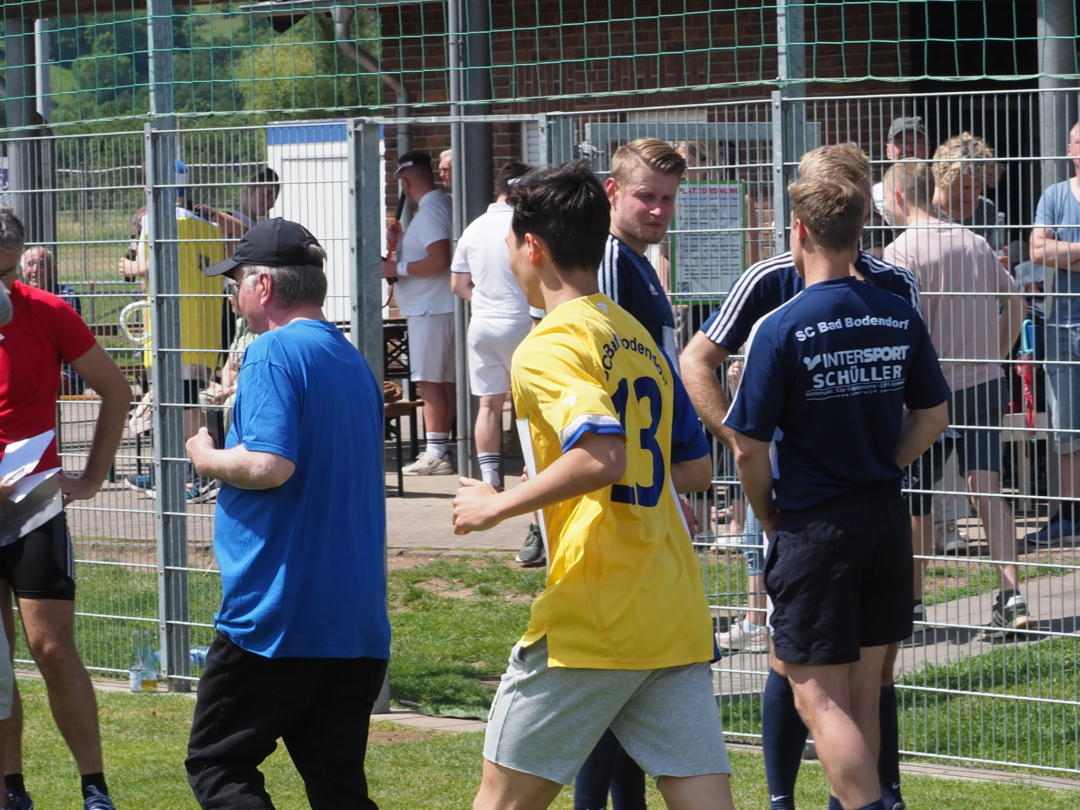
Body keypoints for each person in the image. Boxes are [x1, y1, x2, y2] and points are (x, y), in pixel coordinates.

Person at [452, 160, 734, 810]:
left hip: (595, 613)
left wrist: (497, 504)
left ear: (532, 246)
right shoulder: (634, 335)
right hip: (671, 608)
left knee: (501, 800)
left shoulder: (548, 346)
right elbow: (695, 469)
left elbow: (602, 456)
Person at [680, 143, 920, 810]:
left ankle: (875, 797)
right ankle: (784, 796)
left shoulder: (894, 286)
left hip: (828, 508)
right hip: (815, 505)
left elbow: (915, 398)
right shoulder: (767, 282)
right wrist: (739, 435)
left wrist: (868, 460)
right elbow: (696, 360)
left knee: (851, 677)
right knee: (794, 663)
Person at [726, 174, 949, 810]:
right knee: (863, 694)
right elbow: (934, 416)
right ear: (859, 231)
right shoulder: (898, 312)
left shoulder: (780, 326)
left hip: (815, 527)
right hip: (884, 519)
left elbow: (747, 447)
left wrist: (768, 512)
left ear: (798, 231)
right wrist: (883, 463)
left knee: (818, 698)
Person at [184, 218, 390, 810]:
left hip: (278, 616)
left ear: (264, 286)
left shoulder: (271, 351)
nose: (233, 296)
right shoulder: (351, 361)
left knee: (218, 763)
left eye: (237, 283)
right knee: (338, 788)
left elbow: (271, 465)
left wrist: (205, 456)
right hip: (354, 622)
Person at [0, 204, 132, 810]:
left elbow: (116, 390)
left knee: (51, 649)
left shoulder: (49, 312)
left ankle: (94, 788)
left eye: (8, 273)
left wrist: (93, 476)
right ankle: (12, 789)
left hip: (34, 507)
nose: (2, 287)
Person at [882, 158, 1029, 638]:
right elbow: (1016, 303)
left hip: (927, 394)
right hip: (983, 382)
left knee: (917, 498)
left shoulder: (899, 252)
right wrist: (995, 355)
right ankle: (1012, 595)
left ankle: (913, 605)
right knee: (987, 487)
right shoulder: (974, 241)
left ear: (899, 196)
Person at [119, 159, 227, 503]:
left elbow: (161, 262)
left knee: (182, 406)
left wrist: (131, 266)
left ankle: (207, 472)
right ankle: (173, 472)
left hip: (172, 332)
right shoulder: (207, 226)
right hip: (201, 331)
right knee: (180, 403)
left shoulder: (158, 220)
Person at [451, 161, 534, 495]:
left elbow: (458, 284)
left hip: (483, 324)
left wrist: (486, 302)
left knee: (488, 405)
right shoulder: (524, 225)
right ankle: (534, 473)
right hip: (522, 323)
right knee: (530, 405)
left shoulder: (473, 228)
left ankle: (490, 480)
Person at [382, 151, 457, 475]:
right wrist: (399, 246)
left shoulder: (430, 212)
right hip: (436, 307)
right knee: (443, 380)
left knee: (430, 381)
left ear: (406, 182)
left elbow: (440, 259)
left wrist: (395, 267)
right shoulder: (439, 207)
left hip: (431, 309)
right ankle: (441, 449)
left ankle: (436, 452)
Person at [1027, 121, 1080, 546]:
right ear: (1069, 148)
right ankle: (1070, 514)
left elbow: (1050, 250)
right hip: (1061, 324)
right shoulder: (1055, 195)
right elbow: (1036, 250)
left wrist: (1063, 253)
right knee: (1065, 426)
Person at [21, 245, 84, 394]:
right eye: (30, 264)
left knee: (38, 380)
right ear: (23, 271)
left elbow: (65, 336)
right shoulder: (17, 297)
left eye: (42, 264)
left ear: (52, 269)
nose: (35, 270)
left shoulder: (66, 295)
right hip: (28, 366)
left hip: (64, 370)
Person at [931, 133, 1004, 251]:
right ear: (943, 181)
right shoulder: (923, 207)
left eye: (976, 187)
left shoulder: (987, 209)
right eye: (964, 187)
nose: (971, 195)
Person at [870, 117, 929, 217]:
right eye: (901, 142)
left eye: (916, 142)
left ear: (927, 149)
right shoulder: (874, 195)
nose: (909, 149)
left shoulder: (936, 192)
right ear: (888, 151)